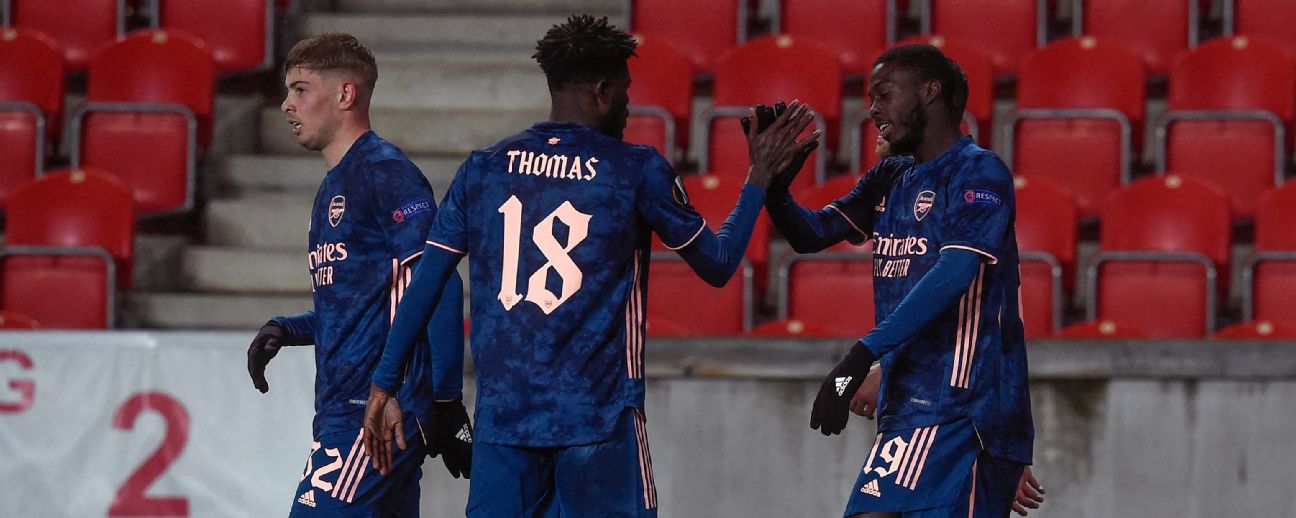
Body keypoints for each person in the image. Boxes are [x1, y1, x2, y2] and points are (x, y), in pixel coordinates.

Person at [359, 15, 819, 517]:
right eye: (624, 90)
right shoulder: (634, 169)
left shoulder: (484, 168)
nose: (628, 104)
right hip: (598, 425)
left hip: (505, 427)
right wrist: (757, 180)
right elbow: (719, 263)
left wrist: (384, 383)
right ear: (602, 90)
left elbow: (426, 282)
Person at [764, 44, 1036, 517]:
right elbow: (810, 235)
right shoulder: (892, 176)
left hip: (962, 409)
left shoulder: (979, 171)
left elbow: (953, 272)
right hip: (910, 408)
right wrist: (773, 189)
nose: (872, 110)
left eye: (885, 95)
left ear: (931, 92)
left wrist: (860, 355)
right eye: (870, 99)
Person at [244, 33, 472, 516]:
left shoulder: (386, 173)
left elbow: (440, 281)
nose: (286, 105)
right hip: (345, 411)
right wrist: (290, 328)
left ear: (346, 94)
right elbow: (366, 301)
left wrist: (445, 402)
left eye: (301, 89)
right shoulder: (335, 182)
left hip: (372, 415)